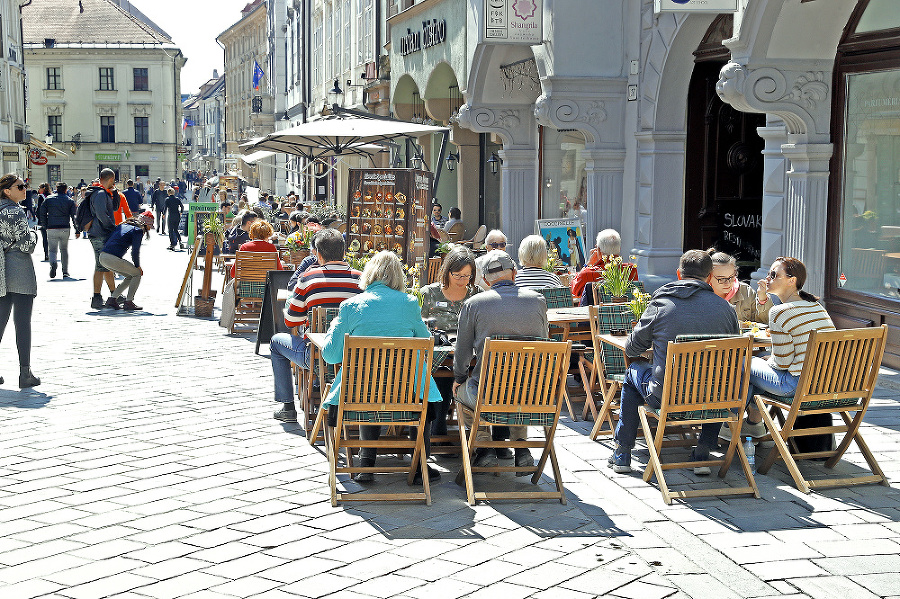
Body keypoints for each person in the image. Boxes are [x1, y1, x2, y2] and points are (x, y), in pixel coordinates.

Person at [609, 250, 740, 475]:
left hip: (668, 396)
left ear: (679, 274)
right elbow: (735, 357)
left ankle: (623, 451)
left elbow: (632, 348)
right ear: (709, 277)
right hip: (715, 397)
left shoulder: (662, 304)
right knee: (717, 384)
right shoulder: (726, 310)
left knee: (632, 371)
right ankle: (703, 451)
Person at [321, 251, 442, 483]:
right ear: (398, 276)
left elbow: (331, 355)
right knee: (420, 390)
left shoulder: (349, 306)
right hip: (406, 398)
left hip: (356, 397)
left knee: (369, 383)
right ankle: (419, 465)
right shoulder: (409, 303)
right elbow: (425, 343)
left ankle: (367, 460)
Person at [722, 257, 835, 442]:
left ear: (792, 281)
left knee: (743, 363)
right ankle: (752, 425)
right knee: (755, 367)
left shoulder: (780, 312)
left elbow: (782, 363)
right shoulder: (816, 306)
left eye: (774, 275)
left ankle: (730, 424)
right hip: (827, 384)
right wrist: (769, 359)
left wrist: (769, 359)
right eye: (769, 273)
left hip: (796, 386)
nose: (768, 278)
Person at [453, 250, 547, 472]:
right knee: (520, 379)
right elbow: (544, 344)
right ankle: (521, 448)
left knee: (462, 393)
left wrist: (458, 377)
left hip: (488, 394)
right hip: (534, 395)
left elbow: (462, 352)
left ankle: (485, 447)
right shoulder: (538, 301)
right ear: (514, 273)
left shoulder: (474, 304)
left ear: (485, 280)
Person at [270, 229, 362, 423]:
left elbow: (291, 321)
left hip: (315, 357)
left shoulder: (308, 280)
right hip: (354, 357)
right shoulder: (361, 280)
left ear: (318, 254)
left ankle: (288, 407)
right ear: (344, 252)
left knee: (276, 342)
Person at [420, 247, 479, 437]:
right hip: (438, 353)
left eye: (467, 276)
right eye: (458, 275)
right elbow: (419, 325)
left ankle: (478, 434)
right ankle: (438, 429)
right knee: (441, 373)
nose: (463, 281)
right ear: (447, 271)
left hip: (468, 355)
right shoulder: (429, 293)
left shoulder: (476, 294)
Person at [0, 174, 40, 387]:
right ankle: (25, 374)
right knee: (22, 322)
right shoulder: (15, 211)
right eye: (20, 186)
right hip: (18, 268)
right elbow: (27, 245)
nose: (25, 189)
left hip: (0, 269)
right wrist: (34, 235)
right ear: (7, 191)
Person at [98, 212, 154, 311]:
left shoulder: (123, 225)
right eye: (150, 226)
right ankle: (129, 302)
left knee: (129, 276)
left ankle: (112, 300)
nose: (149, 229)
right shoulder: (138, 230)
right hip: (112, 258)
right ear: (145, 224)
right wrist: (138, 266)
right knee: (137, 274)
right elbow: (135, 251)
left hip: (102, 256)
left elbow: (107, 240)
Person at [571, 229, 638, 305]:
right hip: (626, 314)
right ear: (619, 249)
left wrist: (588, 264)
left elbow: (574, 291)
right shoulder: (631, 269)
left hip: (597, 314)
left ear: (598, 250)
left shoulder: (587, 273)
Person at [708, 249, 772, 324]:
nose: (728, 283)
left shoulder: (746, 292)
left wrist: (762, 299)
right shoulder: (700, 294)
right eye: (722, 279)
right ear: (709, 276)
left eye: (731, 277)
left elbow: (766, 323)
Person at [87, 169, 119, 309]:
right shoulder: (100, 194)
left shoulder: (104, 193)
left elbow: (115, 207)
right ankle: (97, 297)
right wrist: (112, 228)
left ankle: (113, 295)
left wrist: (115, 192)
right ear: (111, 179)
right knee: (101, 265)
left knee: (106, 265)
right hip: (100, 234)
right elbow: (101, 215)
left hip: (101, 233)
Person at [38, 183, 77, 279]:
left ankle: (53, 263)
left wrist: (45, 225)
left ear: (56, 188)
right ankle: (65, 272)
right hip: (65, 227)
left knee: (52, 250)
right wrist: (77, 229)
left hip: (52, 227)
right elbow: (74, 216)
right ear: (66, 189)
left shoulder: (49, 199)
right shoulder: (69, 200)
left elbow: (41, 212)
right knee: (64, 249)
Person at [35, 183, 50, 261]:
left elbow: (39, 209)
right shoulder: (51, 196)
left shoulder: (41, 197)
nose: (38, 189)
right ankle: (52, 253)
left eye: (39, 188)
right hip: (51, 219)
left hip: (42, 220)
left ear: (43, 188)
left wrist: (37, 216)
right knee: (51, 238)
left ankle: (46, 254)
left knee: (45, 237)